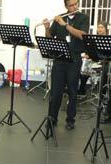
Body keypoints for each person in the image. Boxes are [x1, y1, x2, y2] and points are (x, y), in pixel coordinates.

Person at [44, 0, 89, 130]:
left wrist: (65, 25)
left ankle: (70, 119)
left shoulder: (83, 18)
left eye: (76, 4)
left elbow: (82, 35)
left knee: (72, 91)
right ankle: (52, 117)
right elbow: (49, 37)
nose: (74, 7)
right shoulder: (59, 18)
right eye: (71, 5)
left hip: (74, 60)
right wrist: (47, 27)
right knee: (55, 92)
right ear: (66, 6)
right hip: (59, 59)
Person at [78, 21, 108, 95]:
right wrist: (87, 55)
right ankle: (82, 90)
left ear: (105, 29)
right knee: (84, 70)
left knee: (106, 70)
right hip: (95, 61)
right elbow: (89, 51)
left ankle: (103, 94)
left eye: (102, 27)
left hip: (105, 62)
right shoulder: (94, 39)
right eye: (98, 27)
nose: (100, 29)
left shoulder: (108, 39)